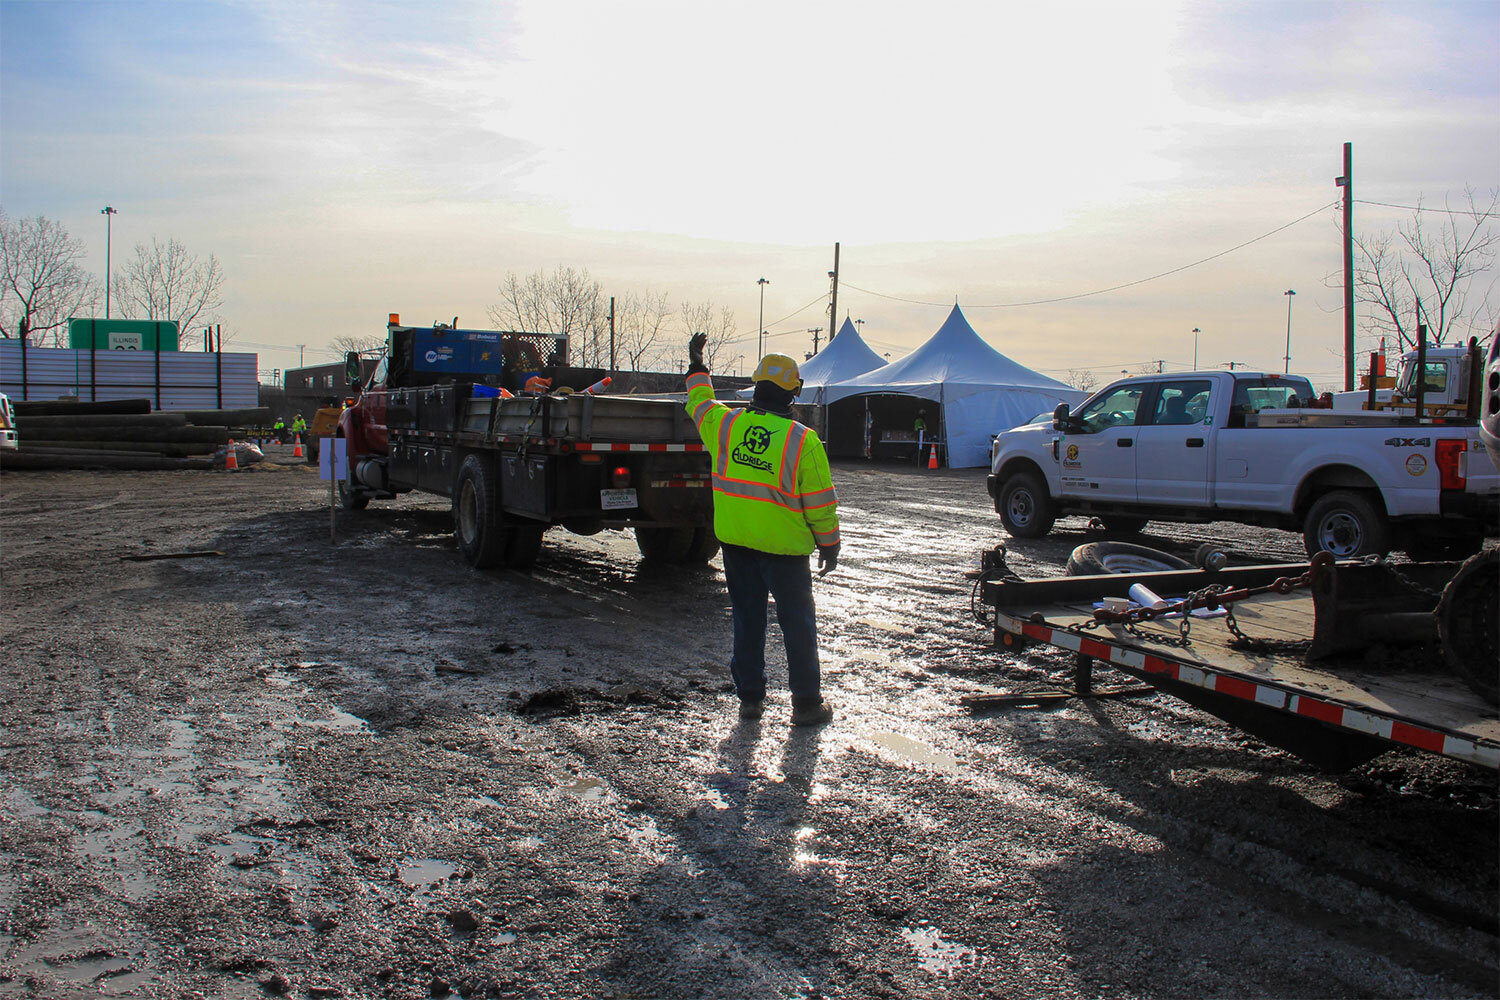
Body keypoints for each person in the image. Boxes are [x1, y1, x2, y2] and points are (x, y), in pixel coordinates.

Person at [684, 333, 839, 727]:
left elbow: (699, 402)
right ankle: (806, 704)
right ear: (794, 392)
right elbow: (820, 503)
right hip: (785, 552)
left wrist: (697, 363)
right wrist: (830, 545)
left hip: (737, 545)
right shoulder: (803, 441)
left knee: (747, 620)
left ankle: (750, 700)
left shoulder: (725, 426)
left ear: (756, 387)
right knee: (797, 625)